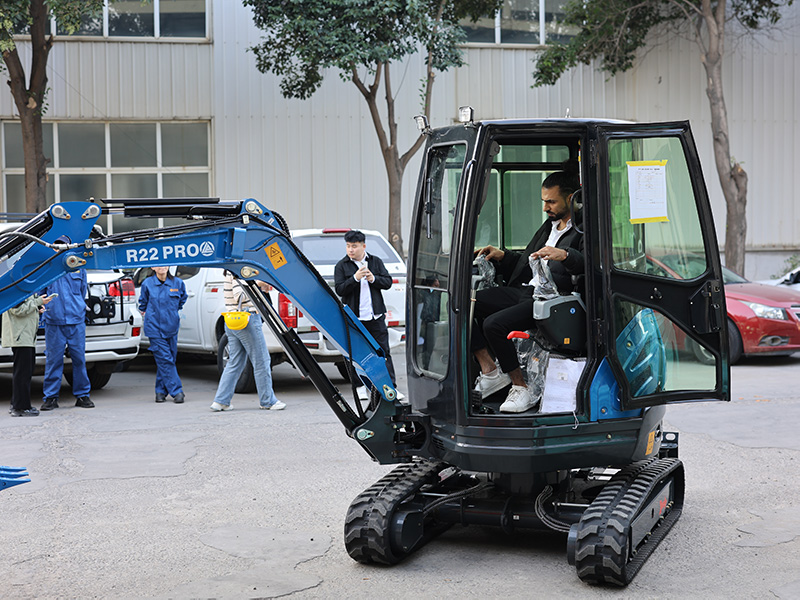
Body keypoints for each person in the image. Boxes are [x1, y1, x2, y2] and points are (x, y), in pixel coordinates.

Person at [471, 160, 584, 413]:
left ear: (571, 198)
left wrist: (565, 255)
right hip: (526, 290)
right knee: (464, 304)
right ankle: (490, 371)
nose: (545, 208)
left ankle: (521, 387)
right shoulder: (549, 226)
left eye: (551, 202)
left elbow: (588, 263)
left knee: (493, 325)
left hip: (552, 299)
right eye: (544, 201)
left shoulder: (583, 229)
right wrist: (503, 256)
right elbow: (528, 261)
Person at [209, 272, 285, 412]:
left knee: (235, 362)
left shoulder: (228, 271)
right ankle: (268, 401)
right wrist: (258, 283)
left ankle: (221, 401)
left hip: (232, 320)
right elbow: (240, 295)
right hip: (247, 319)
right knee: (261, 360)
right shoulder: (237, 271)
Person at [334, 230, 397, 391]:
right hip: (354, 318)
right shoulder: (342, 265)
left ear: (363, 246)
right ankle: (360, 386)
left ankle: (390, 386)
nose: (350, 250)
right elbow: (340, 289)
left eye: (354, 246)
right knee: (356, 353)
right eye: (348, 246)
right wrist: (354, 278)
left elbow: (388, 282)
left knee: (383, 351)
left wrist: (373, 278)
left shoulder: (375, 262)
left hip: (375, 316)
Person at [41, 266, 94, 410]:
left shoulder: (78, 267)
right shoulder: (48, 267)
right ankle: (51, 397)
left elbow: (82, 291)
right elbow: (41, 294)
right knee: (53, 360)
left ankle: (82, 396)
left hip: (76, 320)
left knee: (79, 359)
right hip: (54, 321)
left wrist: (77, 307)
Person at [138, 266, 188, 403]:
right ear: (153, 267)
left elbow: (182, 300)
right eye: (158, 265)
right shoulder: (147, 283)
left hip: (172, 326)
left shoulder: (178, 283)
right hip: (154, 327)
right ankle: (177, 391)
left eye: (165, 264)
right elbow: (142, 304)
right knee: (165, 359)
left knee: (168, 359)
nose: (162, 267)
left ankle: (160, 392)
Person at [2, 293, 53, 417]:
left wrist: (37, 308)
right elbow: (17, 309)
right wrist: (38, 302)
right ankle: (21, 407)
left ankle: (16, 404)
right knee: (23, 373)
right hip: (21, 336)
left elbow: (25, 306)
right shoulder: (17, 288)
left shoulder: (23, 288)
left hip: (26, 336)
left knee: (24, 371)